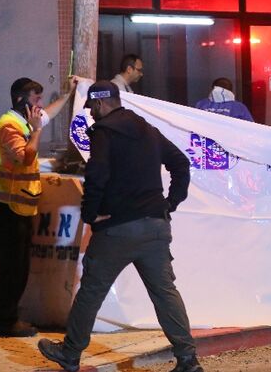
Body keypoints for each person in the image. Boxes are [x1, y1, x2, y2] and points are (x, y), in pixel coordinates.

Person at [38, 81, 203, 372]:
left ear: (101, 104)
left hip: (118, 229)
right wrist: (169, 203)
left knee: (91, 291)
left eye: (92, 108)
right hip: (155, 226)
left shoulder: (104, 133)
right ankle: (188, 359)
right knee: (165, 292)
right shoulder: (148, 130)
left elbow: (97, 175)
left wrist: (89, 214)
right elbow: (181, 163)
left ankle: (70, 353)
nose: (91, 114)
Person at [0, 76, 78, 337]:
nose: (40, 105)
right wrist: (37, 131)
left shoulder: (23, 121)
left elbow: (48, 114)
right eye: (35, 99)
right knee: (13, 267)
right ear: (20, 100)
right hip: (4, 206)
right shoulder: (8, 126)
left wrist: (68, 95)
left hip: (16, 205)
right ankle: (6, 321)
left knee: (19, 265)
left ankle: (9, 318)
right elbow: (26, 157)